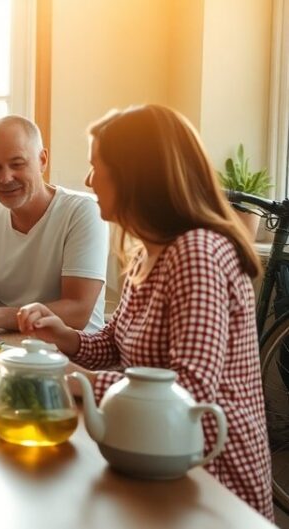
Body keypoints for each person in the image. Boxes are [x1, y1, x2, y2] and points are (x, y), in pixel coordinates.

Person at [17, 104, 273, 520]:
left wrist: (77, 384)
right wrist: (64, 335)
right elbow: (115, 345)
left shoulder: (198, 255)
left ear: (135, 175)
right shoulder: (147, 254)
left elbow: (188, 389)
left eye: (96, 166)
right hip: (153, 454)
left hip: (209, 477)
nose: (88, 180)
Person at [0, 115, 108, 333]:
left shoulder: (83, 211)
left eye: (17, 164)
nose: (5, 178)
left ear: (42, 160)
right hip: (5, 353)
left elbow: (77, 311)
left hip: (74, 356)